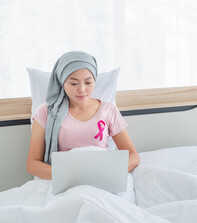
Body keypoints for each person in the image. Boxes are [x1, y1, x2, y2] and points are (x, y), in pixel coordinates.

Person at [27, 51, 140, 180]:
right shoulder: (46, 112)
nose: (82, 89)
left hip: (103, 178)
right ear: (62, 83)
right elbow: (33, 164)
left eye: (88, 82)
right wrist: (72, 176)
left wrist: (108, 172)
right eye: (74, 83)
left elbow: (133, 156)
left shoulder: (108, 110)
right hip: (66, 180)